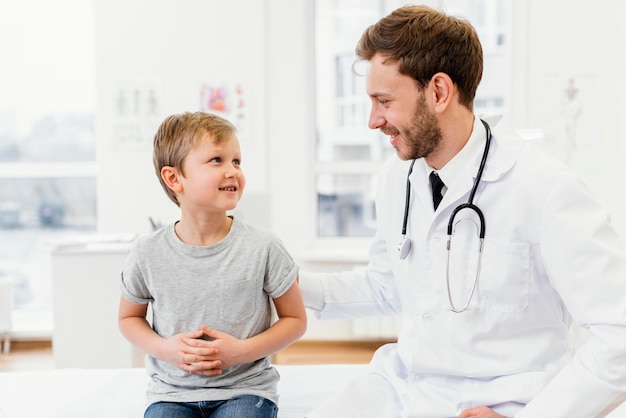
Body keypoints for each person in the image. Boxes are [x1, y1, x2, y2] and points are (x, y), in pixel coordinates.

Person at [298, 5, 626, 418]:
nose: (372, 120)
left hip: (501, 403)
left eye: (384, 101)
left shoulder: (546, 189)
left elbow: (619, 338)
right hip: (401, 389)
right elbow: (388, 286)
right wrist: (279, 281)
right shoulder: (396, 178)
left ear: (438, 92)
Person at [118, 111, 307, 418]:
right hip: (171, 394)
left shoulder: (264, 247)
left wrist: (242, 352)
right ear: (174, 178)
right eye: (216, 160)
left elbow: (295, 320)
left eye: (237, 161)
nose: (232, 171)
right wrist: (166, 349)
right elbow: (128, 319)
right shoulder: (146, 252)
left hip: (245, 391)